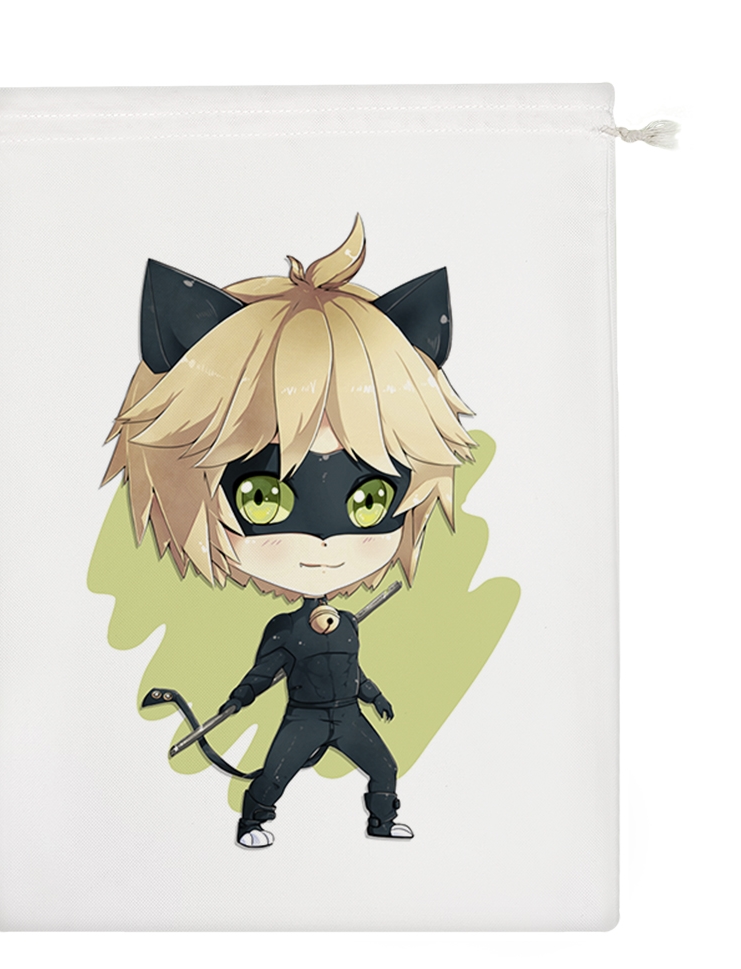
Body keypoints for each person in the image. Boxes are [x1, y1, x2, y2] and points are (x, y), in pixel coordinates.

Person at [102, 215, 476, 847]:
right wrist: (237, 702)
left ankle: (383, 821)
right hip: (303, 718)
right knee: (273, 775)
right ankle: (254, 820)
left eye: (371, 500)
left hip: (346, 716)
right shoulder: (285, 631)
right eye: (264, 497)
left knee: (384, 767)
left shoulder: (349, 624)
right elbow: (263, 673)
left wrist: (375, 698)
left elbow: (355, 671)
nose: (325, 546)